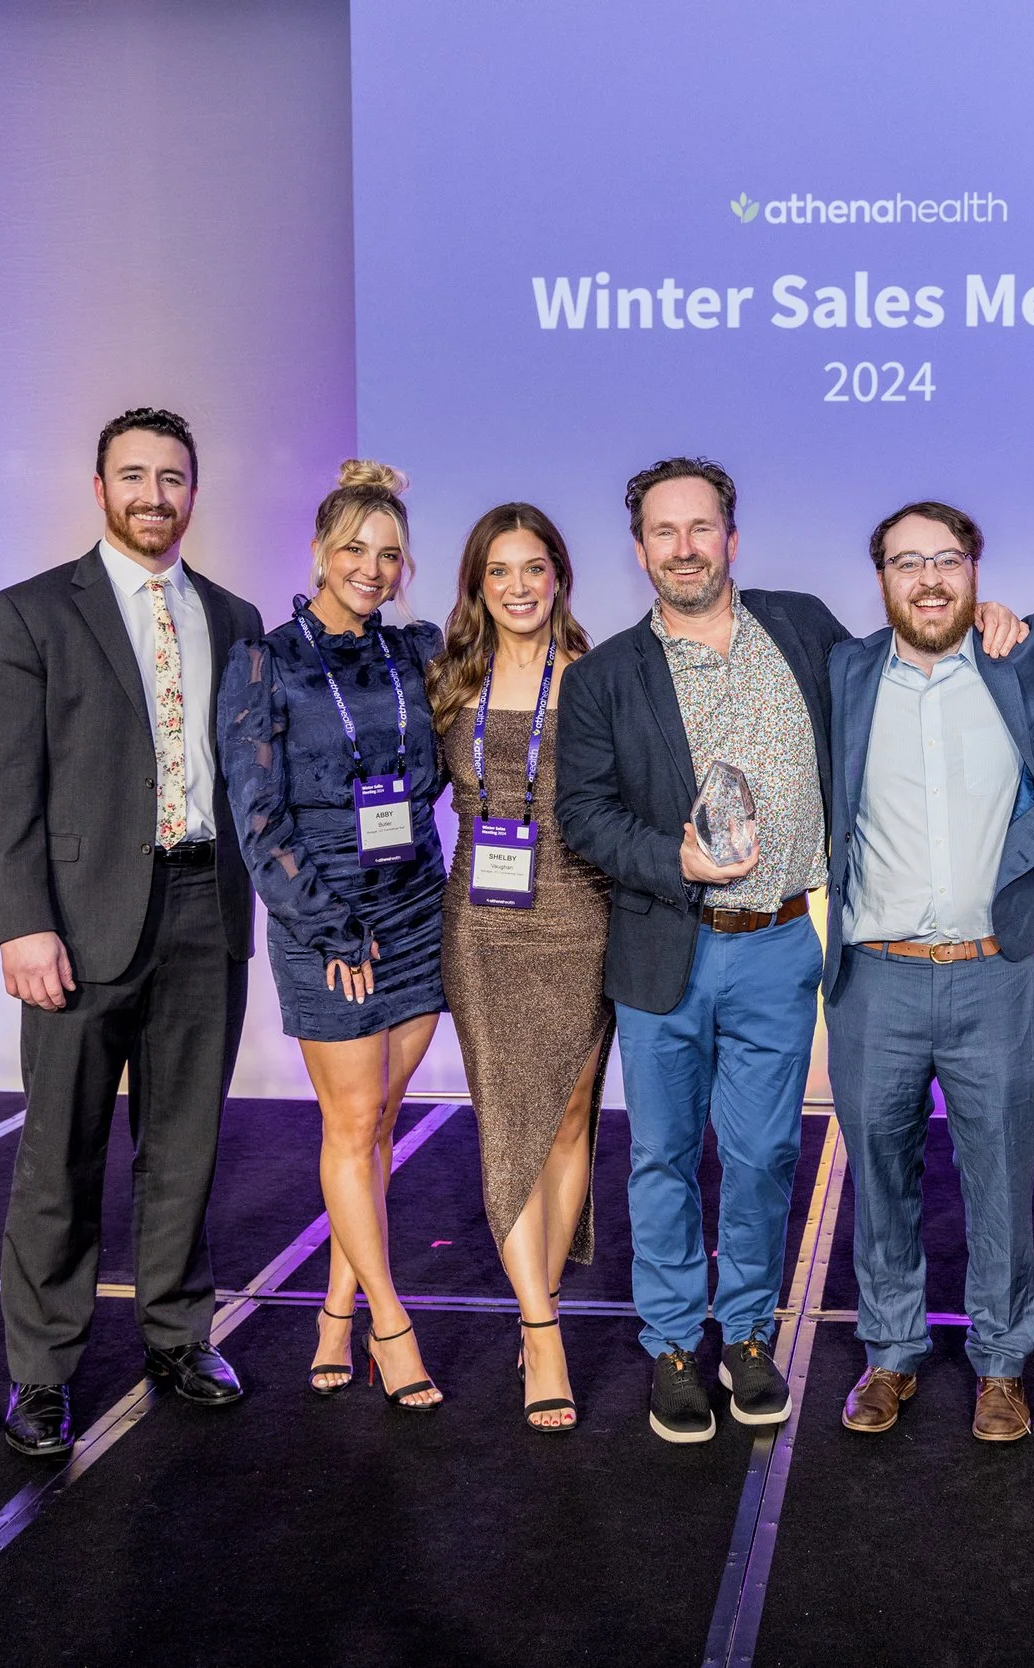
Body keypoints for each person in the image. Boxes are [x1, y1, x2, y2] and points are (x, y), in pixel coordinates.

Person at [557, 458, 1024, 1445]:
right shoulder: (604, 675)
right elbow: (584, 818)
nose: (684, 547)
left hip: (777, 944)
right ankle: (676, 1344)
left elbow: (907, 661)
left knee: (767, 1155)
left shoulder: (802, 627)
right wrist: (672, 859)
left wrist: (998, 622)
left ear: (732, 536)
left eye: (702, 528)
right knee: (663, 1158)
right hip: (662, 948)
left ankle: (751, 1335)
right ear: (639, 548)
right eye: (663, 531)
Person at [0, 408, 264, 1458]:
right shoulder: (34, 614)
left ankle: (179, 1335)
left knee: (185, 1147)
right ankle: (42, 1372)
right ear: (98, 489)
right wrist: (23, 926)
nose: (154, 495)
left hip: (202, 908)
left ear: (195, 491)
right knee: (60, 1156)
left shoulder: (235, 619)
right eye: (133, 475)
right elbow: (1, 792)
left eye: (172, 477)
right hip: (78, 928)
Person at [825, 501, 1034, 1447]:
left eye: (946, 559)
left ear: (975, 569)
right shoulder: (844, 673)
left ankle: (1002, 1364)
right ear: (880, 578)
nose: (928, 578)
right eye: (906, 561)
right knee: (879, 1175)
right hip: (876, 977)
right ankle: (890, 1350)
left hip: (993, 971)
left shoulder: (1026, 657)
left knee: (1003, 1176)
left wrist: (1023, 863)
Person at [221, 461, 449, 1413]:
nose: (370, 566)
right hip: (328, 921)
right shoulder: (266, 661)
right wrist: (331, 929)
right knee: (352, 1128)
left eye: (388, 553)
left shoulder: (417, 655)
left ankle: (335, 1308)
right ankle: (389, 1327)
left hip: (418, 909)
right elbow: (258, 819)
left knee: (382, 1128)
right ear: (319, 550)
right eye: (353, 547)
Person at [429, 503, 611, 1433]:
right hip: (484, 925)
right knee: (508, 1120)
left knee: (570, 1114)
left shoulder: (598, 677)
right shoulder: (447, 682)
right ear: (477, 586)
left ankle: (540, 1295)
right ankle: (541, 1327)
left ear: (558, 576)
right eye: (499, 571)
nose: (518, 586)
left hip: (580, 911)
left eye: (533, 568)